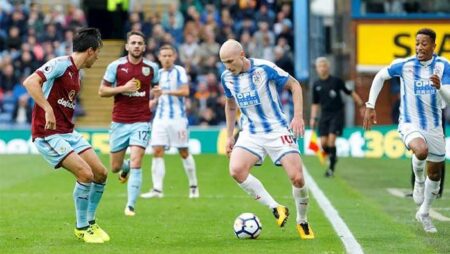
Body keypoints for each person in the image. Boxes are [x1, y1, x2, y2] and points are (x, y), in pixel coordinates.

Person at [219, 39, 314, 239]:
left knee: (297, 178)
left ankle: (302, 221)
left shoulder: (264, 68)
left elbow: (295, 86)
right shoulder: (226, 77)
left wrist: (297, 116)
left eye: (230, 61)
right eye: (224, 62)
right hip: (250, 132)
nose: (227, 66)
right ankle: (276, 207)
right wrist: (229, 135)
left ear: (242, 54)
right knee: (236, 170)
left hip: (277, 130)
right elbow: (230, 105)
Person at [23, 27, 109, 243]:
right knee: (85, 174)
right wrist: (47, 108)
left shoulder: (77, 74)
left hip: (67, 132)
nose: (98, 56)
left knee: (100, 173)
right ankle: (81, 228)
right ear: (90, 50)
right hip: (48, 133)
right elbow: (30, 82)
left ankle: (90, 223)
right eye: (98, 52)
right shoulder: (61, 64)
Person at [363, 28, 450, 233]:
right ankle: (418, 180)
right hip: (410, 122)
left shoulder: (444, 66)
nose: (419, 47)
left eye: (424, 43)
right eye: (417, 43)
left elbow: (449, 101)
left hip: (435, 125)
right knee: (421, 151)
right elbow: (380, 76)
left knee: (436, 174)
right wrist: (370, 105)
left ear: (433, 46)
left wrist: (440, 88)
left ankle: (424, 212)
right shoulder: (405, 65)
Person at [98, 31, 160, 216]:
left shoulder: (151, 67)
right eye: (133, 43)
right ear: (127, 46)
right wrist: (124, 88)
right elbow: (102, 91)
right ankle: (124, 169)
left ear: (145, 47)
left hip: (141, 120)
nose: (136, 46)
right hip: (120, 121)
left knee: (137, 160)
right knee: (115, 167)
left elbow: (155, 87)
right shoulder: (116, 66)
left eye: (140, 43)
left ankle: (130, 205)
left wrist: (156, 95)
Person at [140, 44, 199, 199]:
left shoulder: (179, 71)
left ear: (174, 57)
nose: (166, 58)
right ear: (159, 58)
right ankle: (157, 190)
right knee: (157, 151)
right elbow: (157, 95)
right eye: (163, 56)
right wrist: (153, 101)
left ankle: (193, 186)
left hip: (178, 119)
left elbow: (185, 91)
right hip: (160, 118)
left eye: (169, 55)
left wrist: (164, 92)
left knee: (183, 151)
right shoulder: (158, 74)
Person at [310, 57, 365, 177]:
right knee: (323, 144)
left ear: (328, 67)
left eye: (324, 66)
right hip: (324, 115)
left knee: (331, 140)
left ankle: (331, 168)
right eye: (320, 66)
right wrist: (313, 118)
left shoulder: (336, 81)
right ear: (317, 69)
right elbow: (315, 104)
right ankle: (333, 157)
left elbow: (349, 92)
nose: (322, 68)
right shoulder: (316, 84)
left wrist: (361, 104)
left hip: (337, 114)